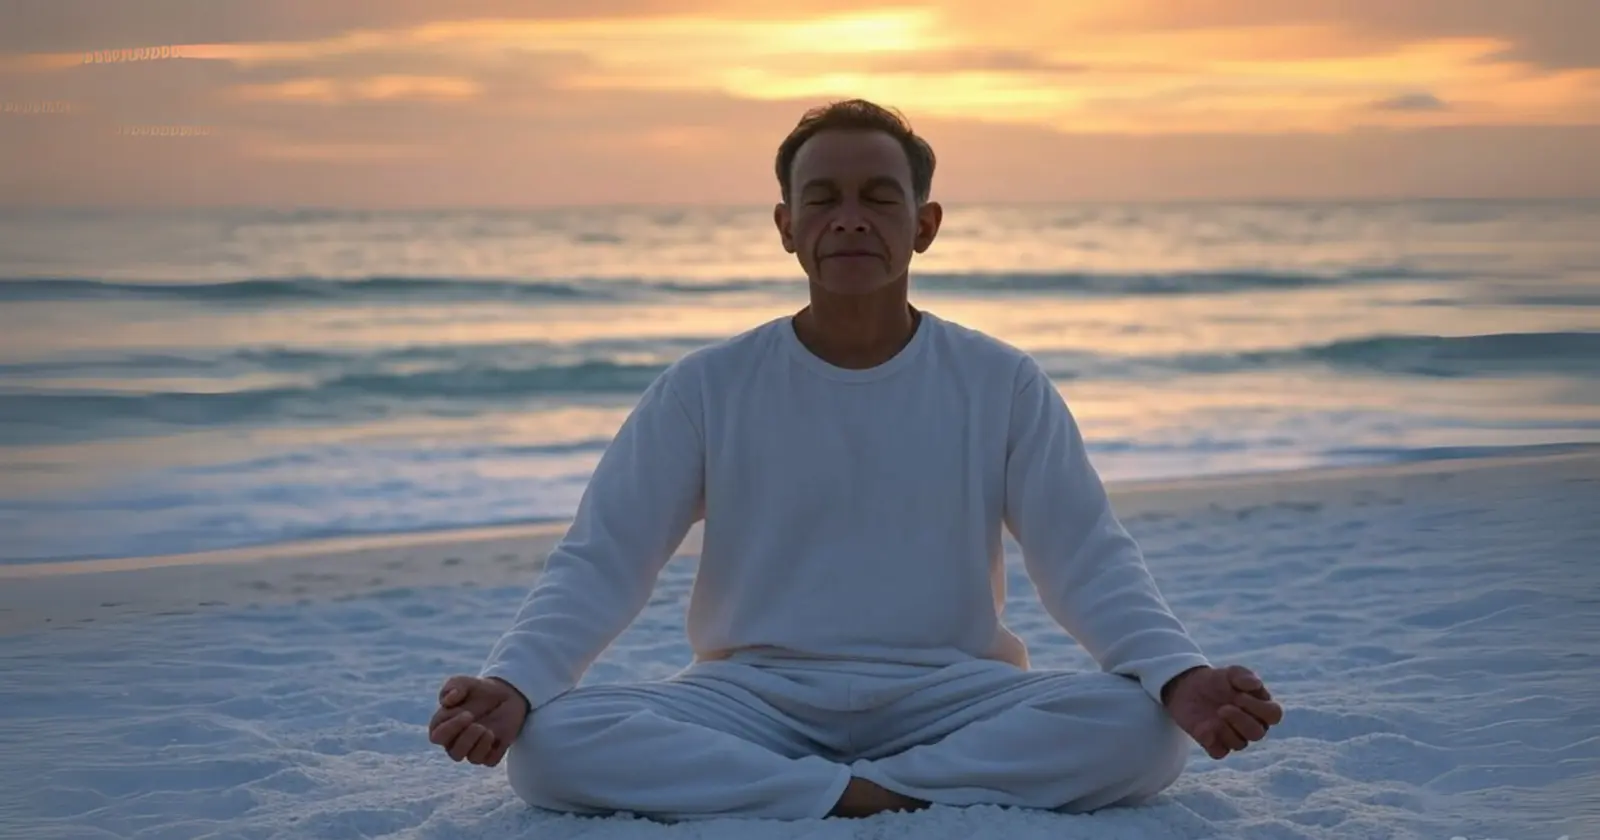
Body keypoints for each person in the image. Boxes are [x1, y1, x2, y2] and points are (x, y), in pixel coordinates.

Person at [427, 99, 1285, 822]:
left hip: (951, 691)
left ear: (924, 225)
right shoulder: (706, 386)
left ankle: (832, 794)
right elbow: (605, 558)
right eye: (822, 198)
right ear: (786, 226)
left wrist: (1177, 674)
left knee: (1140, 731)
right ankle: (875, 795)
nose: (849, 219)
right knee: (550, 746)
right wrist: (517, 681)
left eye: (879, 197)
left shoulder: (999, 381)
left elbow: (1086, 556)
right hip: (752, 694)